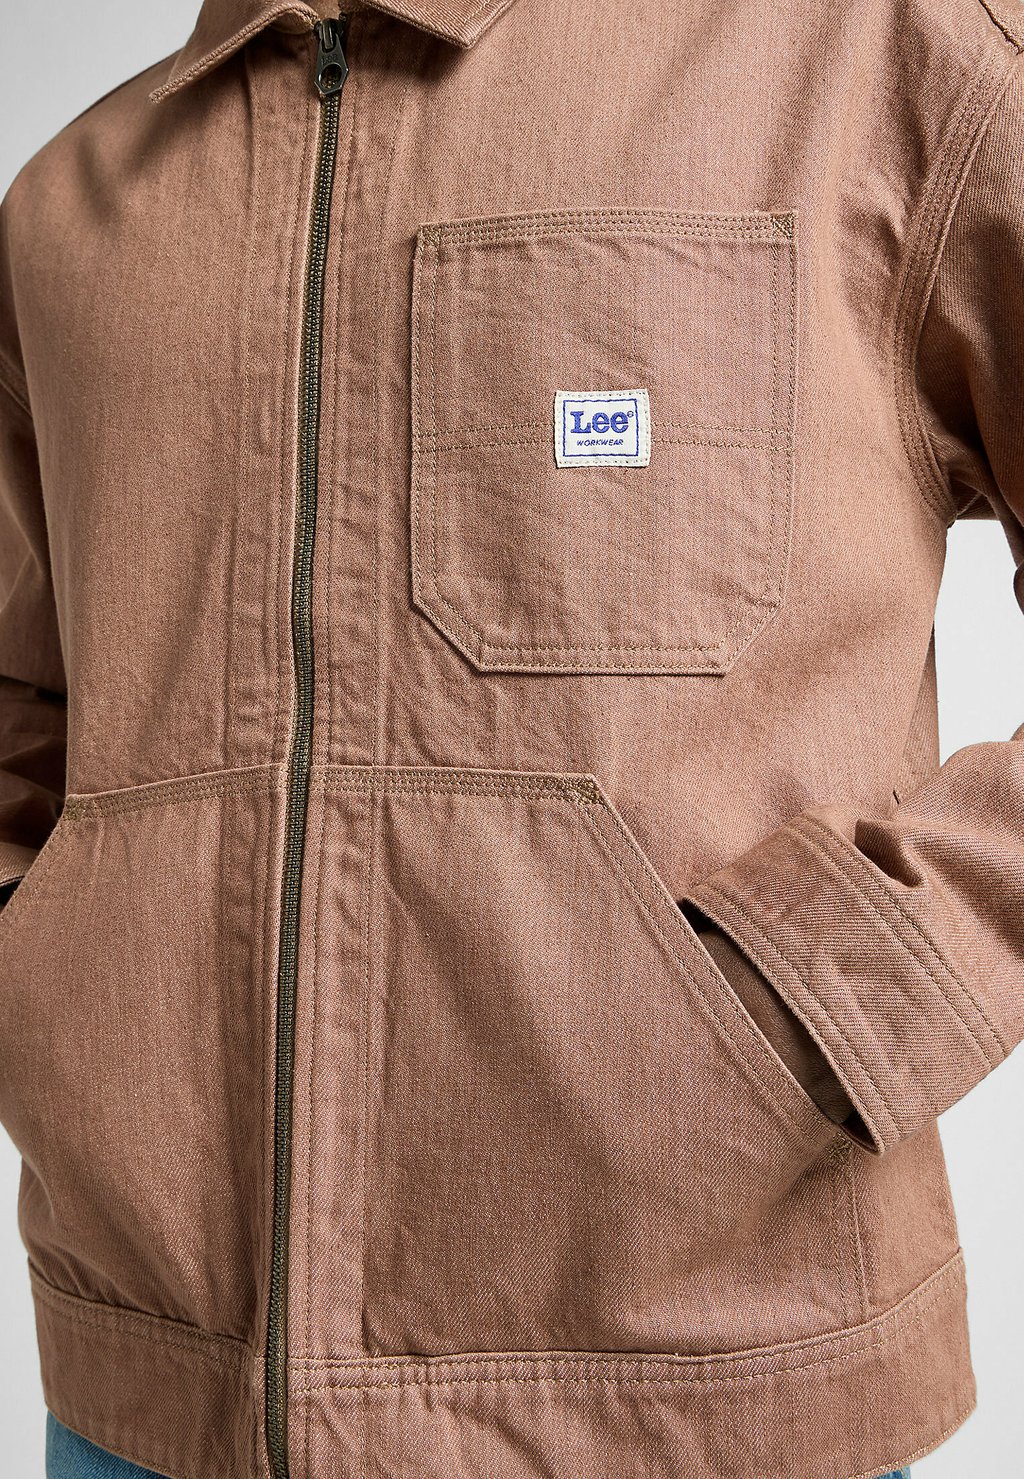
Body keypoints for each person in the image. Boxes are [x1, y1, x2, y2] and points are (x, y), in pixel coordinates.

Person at [1, 0, 1022, 1474]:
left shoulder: (879, 64)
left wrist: (844, 996)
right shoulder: (70, 206)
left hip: (705, 1389)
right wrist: (53, 992)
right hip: (151, 1392)